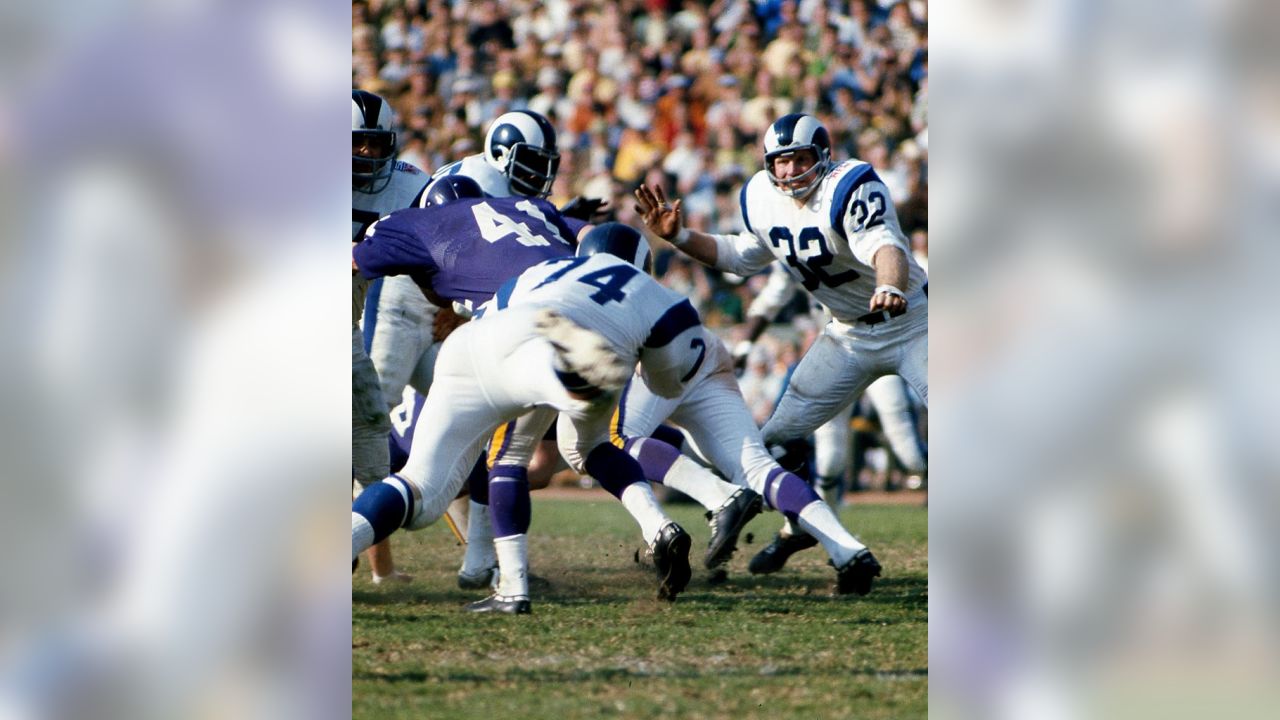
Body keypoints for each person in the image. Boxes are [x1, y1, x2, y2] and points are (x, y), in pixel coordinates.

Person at [351, 223, 710, 615]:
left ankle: (510, 587)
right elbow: (667, 385)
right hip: (571, 350)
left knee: (419, 489)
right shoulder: (658, 297)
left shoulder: (547, 268)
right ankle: (568, 378)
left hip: (480, 345)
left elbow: (492, 312)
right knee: (583, 446)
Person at [634, 112, 928, 575]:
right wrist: (681, 238)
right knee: (772, 443)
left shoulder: (848, 185)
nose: (789, 171)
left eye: (799, 159)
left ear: (823, 157)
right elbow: (739, 256)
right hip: (848, 334)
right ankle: (800, 527)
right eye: (780, 162)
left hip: (913, 323)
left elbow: (884, 246)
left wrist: (889, 285)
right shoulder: (759, 196)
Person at [731, 269, 928, 507]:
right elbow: (770, 298)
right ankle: (826, 526)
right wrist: (744, 345)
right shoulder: (789, 247)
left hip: (883, 340)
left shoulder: (853, 237)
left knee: (905, 444)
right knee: (829, 453)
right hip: (837, 353)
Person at [352, 88, 429, 584]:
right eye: (360, 144)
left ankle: (373, 560)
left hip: (359, 326)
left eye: (378, 145)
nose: (370, 155)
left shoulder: (408, 186)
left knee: (372, 439)